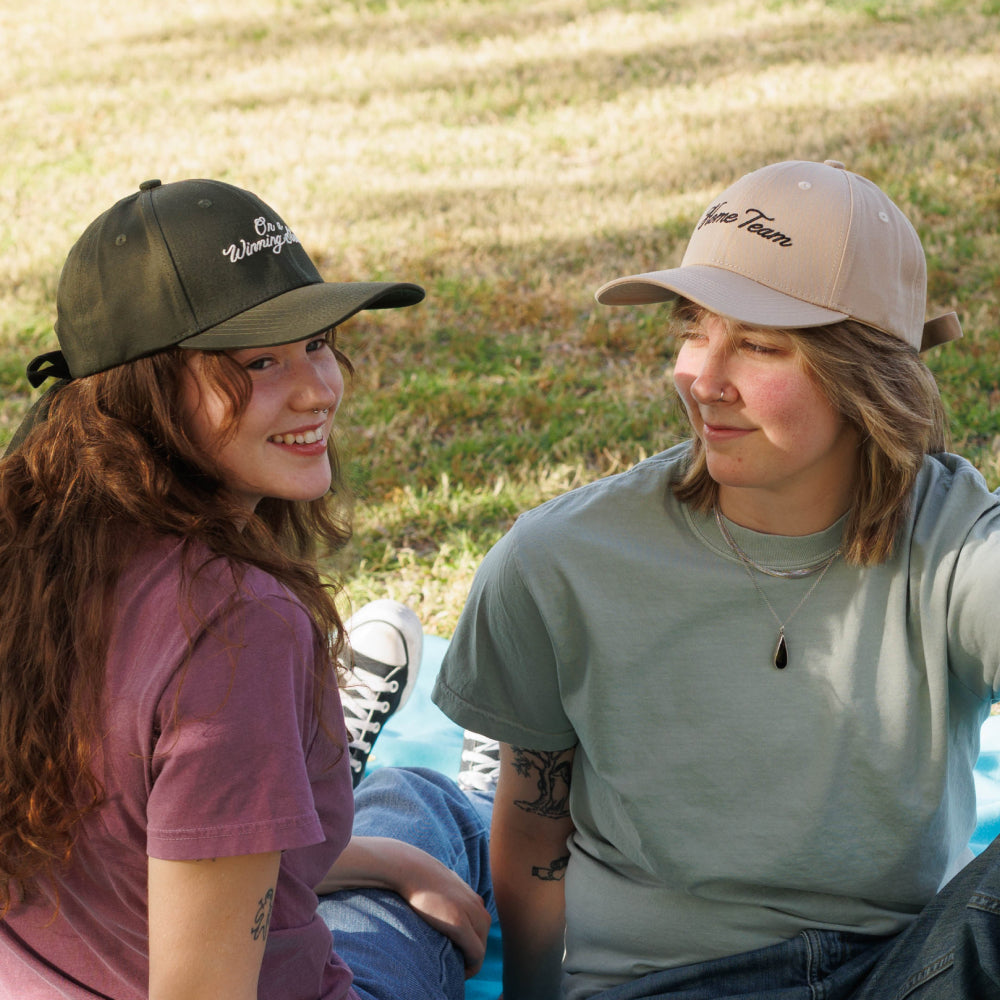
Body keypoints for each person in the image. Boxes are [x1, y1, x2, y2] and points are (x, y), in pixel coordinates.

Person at [432, 159, 1000, 999]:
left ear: (868, 376)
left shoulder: (954, 539)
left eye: (759, 344)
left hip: (906, 970)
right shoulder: (560, 560)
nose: (701, 376)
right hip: (664, 983)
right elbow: (534, 821)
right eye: (695, 327)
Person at [0, 177, 494, 1000]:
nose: (318, 389)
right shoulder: (234, 628)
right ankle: (480, 789)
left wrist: (381, 861)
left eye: (319, 343)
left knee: (394, 832)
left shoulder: (28, 543)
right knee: (422, 795)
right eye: (260, 361)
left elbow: (124, 853)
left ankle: (297, 782)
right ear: (143, 390)